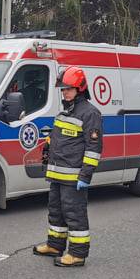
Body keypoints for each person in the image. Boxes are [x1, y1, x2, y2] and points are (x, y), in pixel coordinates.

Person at [33, 66, 102, 267]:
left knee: (74, 214)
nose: (65, 92)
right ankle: (55, 245)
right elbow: (60, 138)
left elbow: (93, 148)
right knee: (56, 211)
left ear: (79, 89)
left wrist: (85, 176)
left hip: (73, 177)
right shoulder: (65, 112)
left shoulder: (90, 113)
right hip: (57, 174)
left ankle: (78, 254)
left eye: (68, 89)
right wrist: (48, 145)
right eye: (63, 89)